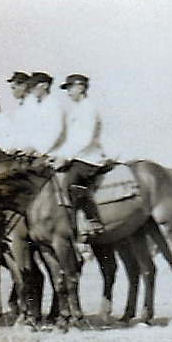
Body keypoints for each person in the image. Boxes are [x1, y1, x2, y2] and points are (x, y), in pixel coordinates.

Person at [50, 73, 107, 238]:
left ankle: (93, 220)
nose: (68, 92)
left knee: (71, 181)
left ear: (81, 88)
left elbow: (85, 139)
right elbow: (71, 140)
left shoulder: (89, 108)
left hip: (90, 157)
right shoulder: (76, 110)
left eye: (70, 88)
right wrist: (56, 155)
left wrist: (65, 157)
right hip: (78, 156)